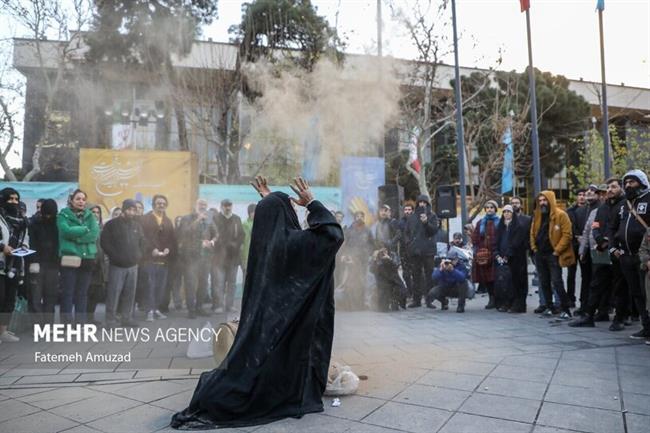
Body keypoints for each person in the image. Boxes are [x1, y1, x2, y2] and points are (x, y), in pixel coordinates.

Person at [171, 176, 344, 429]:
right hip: (291, 339)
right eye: (289, 210)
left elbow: (276, 222)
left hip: (267, 334)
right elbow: (332, 234)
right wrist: (312, 203)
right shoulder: (296, 244)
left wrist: (270, 202)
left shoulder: (263, 248)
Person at [570, 178, 628, 329]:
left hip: (618, 252)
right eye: (608, 187)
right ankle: (588, 316)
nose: (610, 190)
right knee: (596, 285)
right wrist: (599, 240)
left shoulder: (626, 205)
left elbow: (623, 228)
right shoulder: (602, 208)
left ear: (621, 188)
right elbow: (595, 226)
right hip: (602, 252)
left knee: (619, 286)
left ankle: (620, 318)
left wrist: (609, 241)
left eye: (613, 187)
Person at [609, 169, 650, 341]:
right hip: (625, 257)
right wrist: (613, 247)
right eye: (626, 183)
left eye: (631, 182)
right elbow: (613, 227)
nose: (627, 185)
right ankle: (646, 327)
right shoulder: (624, 204)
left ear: (641, 182)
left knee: (647, 293)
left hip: (644, 258)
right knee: (636, 293)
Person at [57, 189, 100, 324]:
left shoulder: (90, 215)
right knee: (68, 293)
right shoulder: (63, 215)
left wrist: (78, 239)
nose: (81, 201)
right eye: (78, 199)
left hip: (87, 258)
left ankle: (80, 322)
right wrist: (83, 229)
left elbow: (94, 234)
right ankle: (67, 323)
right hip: (70, 258)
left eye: (83, 199)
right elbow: (65, 231)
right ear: (71, 200)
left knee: (82, 293)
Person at [530, 191, 574, 319]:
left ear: (551, 200)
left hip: (553, 254)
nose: (542, 203)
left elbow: (567, 235)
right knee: (544, 282)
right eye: (540, 200)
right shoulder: (537, 216)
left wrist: (557, 251)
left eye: (545, 200)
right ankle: (550, 307)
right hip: (540, 254)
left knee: (557, 282)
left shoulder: (561, 215)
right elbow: (532, 233)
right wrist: (534, 248)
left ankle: (566, 309)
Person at [101, 199, 144, 327]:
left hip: (133, 266)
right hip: (117, 266)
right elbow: (105, 243)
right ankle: (110, 320)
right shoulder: (111, 225)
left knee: (130, 294)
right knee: (114, 293)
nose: (132, 212)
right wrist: (116, 257)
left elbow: (143, 242)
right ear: (124, 209)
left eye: (134, 210)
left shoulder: (137, 226)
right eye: (129, 209)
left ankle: (127, 318)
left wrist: (138, 256)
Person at [178, 199, 218, 318]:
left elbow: (216, 233)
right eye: (200, 205)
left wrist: (211, 241)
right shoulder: (187, 218)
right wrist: (198, 219)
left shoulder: (209, 218)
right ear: (195, 206)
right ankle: (191, 310)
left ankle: (199, 307)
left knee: (203, 283)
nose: (203, 207)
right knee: (190, 283)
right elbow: (185, 233)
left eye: (205, 205)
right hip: (191, 257)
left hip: (205, 256)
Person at [140, 194, 177, 322]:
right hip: (149, 258)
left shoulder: (168, 220)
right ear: (153, 204)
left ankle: (156, 309)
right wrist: (152, 249)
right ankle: (149, 311)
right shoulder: (145, 219)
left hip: (164, 259)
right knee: (150, 285)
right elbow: (142, 238)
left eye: (163, 203)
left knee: (160, 286)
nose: (161, 205)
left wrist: (168, 249)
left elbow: (172, 239)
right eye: (158, 203)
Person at [0, 188, 29, 342]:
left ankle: (3, 332)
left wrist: (24, 246)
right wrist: (2, 247)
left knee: (9, 299)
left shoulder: (22, 220)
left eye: (16, 199)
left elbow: (25, 238)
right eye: (10, 199)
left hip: (14, 264)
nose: (13, 202)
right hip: (1, 263)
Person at [27, 199, 60, 324]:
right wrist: (34, 261)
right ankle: (37, 324)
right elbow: (32, 243)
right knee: (36, 296)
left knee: (50, 296)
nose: (48, 217)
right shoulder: (34, 224)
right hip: (38, 264)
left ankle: (48, 324)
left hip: (53, 264)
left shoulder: (57, 224)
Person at [404, 195, 438, 308]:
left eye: (424, 202)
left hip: (428, 251)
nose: (422, 204)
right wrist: (409, 244)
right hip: (415, 251)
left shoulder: (432, 216)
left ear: (427, 204)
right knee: (416, 275)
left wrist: (426, 222)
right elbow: (407, 233)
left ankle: (429, 300)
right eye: (420, 202)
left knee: (429, 276)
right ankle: (416, 300)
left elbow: (433, 231)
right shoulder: (412, 217)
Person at [495, 205, 528, 313]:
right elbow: (495, 243)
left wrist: (507, 256)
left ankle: (517, 305)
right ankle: (506, 303)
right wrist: (497, 255)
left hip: (516, 259)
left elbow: (516, 243)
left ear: (512, 213)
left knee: (517, 283)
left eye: (509, 212)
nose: (506, 214)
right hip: (502, 260)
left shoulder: (518, 226)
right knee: (505, 284)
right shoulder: (500, 226)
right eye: (504, 212)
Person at [213, 199, 244, 313]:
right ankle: (218, 306)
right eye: (225, 206)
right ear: (221, 206)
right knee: (219, 283)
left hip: (233, 257)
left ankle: (229, 305)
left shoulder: (237, 219)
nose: (228, 208)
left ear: (232, 206)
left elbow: (241, 235)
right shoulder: (216, 218)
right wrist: (225, 244)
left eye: (229, 205)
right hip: (219, 257)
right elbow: (213, 234)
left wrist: (235, 245)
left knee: (232, 283)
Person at [472, 200, 500, 309]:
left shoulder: (499, 221)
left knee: (497, 278)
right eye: (487, 207)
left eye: (492, 207)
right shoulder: (480, 222)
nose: (489, 209)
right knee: (487, 278)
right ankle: (491, 299)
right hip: (484, 255)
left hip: (496, 253)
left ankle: (499, 299)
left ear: (495, 209)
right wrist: (477, 251)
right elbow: (475, 237)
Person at [566, 188, 588, 307]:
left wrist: (583, 238)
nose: (582, 197)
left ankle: (584, 300)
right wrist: (576, 236)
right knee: (571, 274)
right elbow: (568, 226)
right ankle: (570, 299)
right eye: (579, 195)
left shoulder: (590, 210)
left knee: (585, 274)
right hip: (572, 245)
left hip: (585, 245)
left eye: (584, 195)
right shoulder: (570, 211)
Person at [87, 204, 107, 324]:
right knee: (87, 293)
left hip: (100, 265)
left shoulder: (102, 228)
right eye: (93, 212)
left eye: (97, 212)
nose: (95, 214)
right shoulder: (86, 227)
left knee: (97, 293)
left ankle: (91, 317)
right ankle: (84, 318)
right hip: (89, 263)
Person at [370, 247, 406, 311]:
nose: (384, 255)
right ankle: (386, 305)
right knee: (384, 307)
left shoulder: (390, 261)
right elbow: (372, 270)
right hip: (383, 285)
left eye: (386, 253)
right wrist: (375, 259)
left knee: (399, 289)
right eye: (383, 253)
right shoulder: (378, 263)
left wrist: (389, 260)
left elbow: (395, 267)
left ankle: (396, 304)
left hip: (392, 283)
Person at [241, 203, 256, 278]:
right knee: (246, 278)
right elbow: (245, 241)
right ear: (249, 213)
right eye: (254, 212)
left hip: (258, 256)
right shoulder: (245, 224)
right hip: (246, 255)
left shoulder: (262, 223)